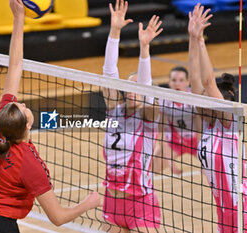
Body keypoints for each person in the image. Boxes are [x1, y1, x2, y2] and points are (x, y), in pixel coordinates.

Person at [0, 1, 101, 232]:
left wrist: (19, 18)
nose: (22, 102)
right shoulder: (27, 161)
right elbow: (58, 217)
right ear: (28, 124)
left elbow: (15, 65)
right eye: (23, 107)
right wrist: (88, 204)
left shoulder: (1, 129)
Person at [101, 0, 163, 232]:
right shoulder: (114, 113)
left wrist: (144, 48)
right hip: (112, 200)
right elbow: (108, 74)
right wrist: (115, 31)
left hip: (140, 203)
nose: (131, 91)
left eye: (136, 88)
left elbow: (146, 89)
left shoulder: (148, 121)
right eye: (128, 86)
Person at [188, 3, 247, 232]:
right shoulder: (208, 127)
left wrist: (202, 41)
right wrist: (192, 39)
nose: (200, 101)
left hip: (240, 206)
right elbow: (195, 81)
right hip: (224, 209)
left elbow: (207, 82)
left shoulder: (229, 123)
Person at [154, 66, 198, 175]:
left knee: (215, 166)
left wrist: (205, 162)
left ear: (188, 82)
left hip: (196, 141)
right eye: (174, 80)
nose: (177, 84)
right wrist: (171, 163)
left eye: (181, 80)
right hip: (175, 142)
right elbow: (161, 133)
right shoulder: (164, 100)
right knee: (152, 167)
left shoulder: (194, 98)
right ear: (169, 82)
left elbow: (201, 129)